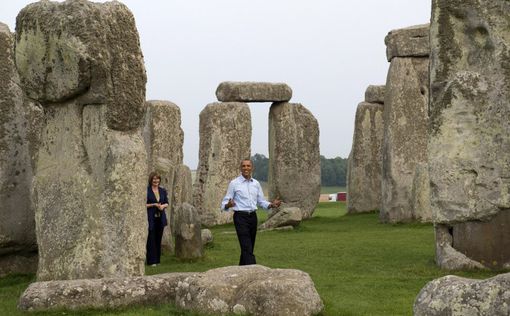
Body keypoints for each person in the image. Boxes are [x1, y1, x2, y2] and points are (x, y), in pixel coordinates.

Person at [221, 159, 281, 265]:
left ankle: (241, 270)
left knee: (249, 247)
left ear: (252, 168)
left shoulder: (256, 184)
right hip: (240, 217)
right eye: (243, 166)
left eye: (248, 166)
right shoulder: (234, 183)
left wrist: (271, 205)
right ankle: (254, 270)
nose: (246, 168)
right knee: (246, 246)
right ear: (240, 168)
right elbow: (224, 203)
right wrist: (228, 205)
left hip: (253, 217)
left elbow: (261, 201)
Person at [146, 172, 169, 266]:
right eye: (154, 179)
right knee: (151, 238)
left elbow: (167, 202)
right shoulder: (147, 190)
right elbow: (143, 204)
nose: (156, 181)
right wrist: (153, 205)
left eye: (157, 179)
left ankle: (157, 260)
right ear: (151, 180)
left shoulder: (162, 190)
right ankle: (151, 261)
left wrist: (163, 206)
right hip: (150, 217)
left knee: (158, 238)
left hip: (160, 217)